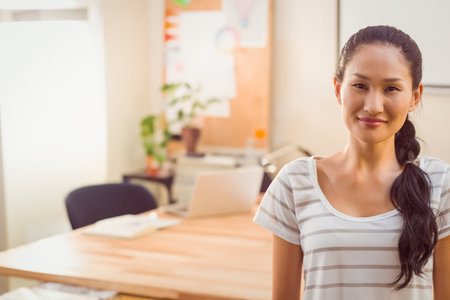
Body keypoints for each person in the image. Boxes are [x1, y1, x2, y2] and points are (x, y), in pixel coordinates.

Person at [254, 25, 450, 300]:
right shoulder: (294, 183)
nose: (373, 105)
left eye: (391, 88)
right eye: (360, 85)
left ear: (414, 97)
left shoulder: (441, 184)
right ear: (338, 89)